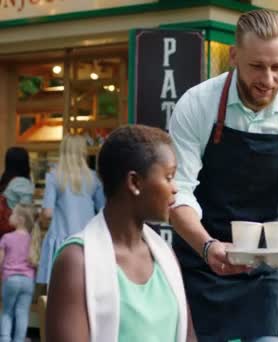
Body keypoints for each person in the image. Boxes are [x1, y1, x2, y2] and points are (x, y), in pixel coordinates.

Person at [168, 9, 278, 341]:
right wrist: (208, 247)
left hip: (269, 270)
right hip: (204, 258)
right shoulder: (197, 105)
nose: (268, 80)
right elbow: (178, 192)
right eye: (257, 66)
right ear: (234, 55)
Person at [46, 125, 196, 342]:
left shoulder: (165, 256)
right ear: (134, 182)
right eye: (169, 176)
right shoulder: (76, 261)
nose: (175, 188)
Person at [36, 134, 105, 285]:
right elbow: (103, 211)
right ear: (83, 152)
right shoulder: (93, 178)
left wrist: (39, 220)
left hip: (61, 239)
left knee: (58, 290)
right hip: (87, 240)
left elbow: (48, 213)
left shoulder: (54, 176)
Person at [0, 204, 41, 342]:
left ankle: (5, 339)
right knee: (22, 313)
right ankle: (19, 340)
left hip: (10, 279)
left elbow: (0, 261)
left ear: (20, 219)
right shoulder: (33, 239)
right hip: (28, 281)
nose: (9, 216)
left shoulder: (6, 237)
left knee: (7, 312)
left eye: (12, 214)